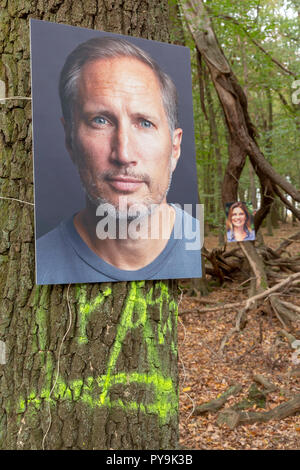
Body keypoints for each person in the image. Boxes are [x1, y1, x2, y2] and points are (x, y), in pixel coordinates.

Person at [36, 36, 202, 285]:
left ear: (175, 147)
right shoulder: (39, 264)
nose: (123, 154)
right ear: (70, 139)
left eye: (145, 123)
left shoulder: (202, 246)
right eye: (100, 120)